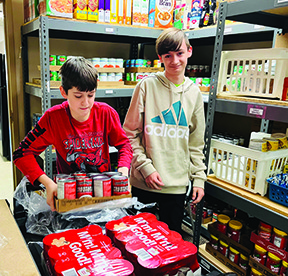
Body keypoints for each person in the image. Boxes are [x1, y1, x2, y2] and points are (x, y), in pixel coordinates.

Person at [13, 57, 133, 211]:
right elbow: (21, 154)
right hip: (70, 197)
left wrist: (123, 172)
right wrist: (48, 183)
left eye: (90, 95)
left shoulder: (106, 113)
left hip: (105, 195)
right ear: (64, 92)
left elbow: (124, 145)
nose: (86, 103)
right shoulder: (52, 118)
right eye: (78, 96)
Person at [123, 27, 206, 234]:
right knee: (139, 242)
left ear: (189, 51)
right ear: (160, 57)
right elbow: (129, 134)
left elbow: (196, 142)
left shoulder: (194, 93)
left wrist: (199, 179)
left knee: (171, 243)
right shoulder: (146, 86)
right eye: (168, 55)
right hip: (144, 183)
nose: (175, 61)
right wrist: (145, 167)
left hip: (177, 185)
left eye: (179, 53)